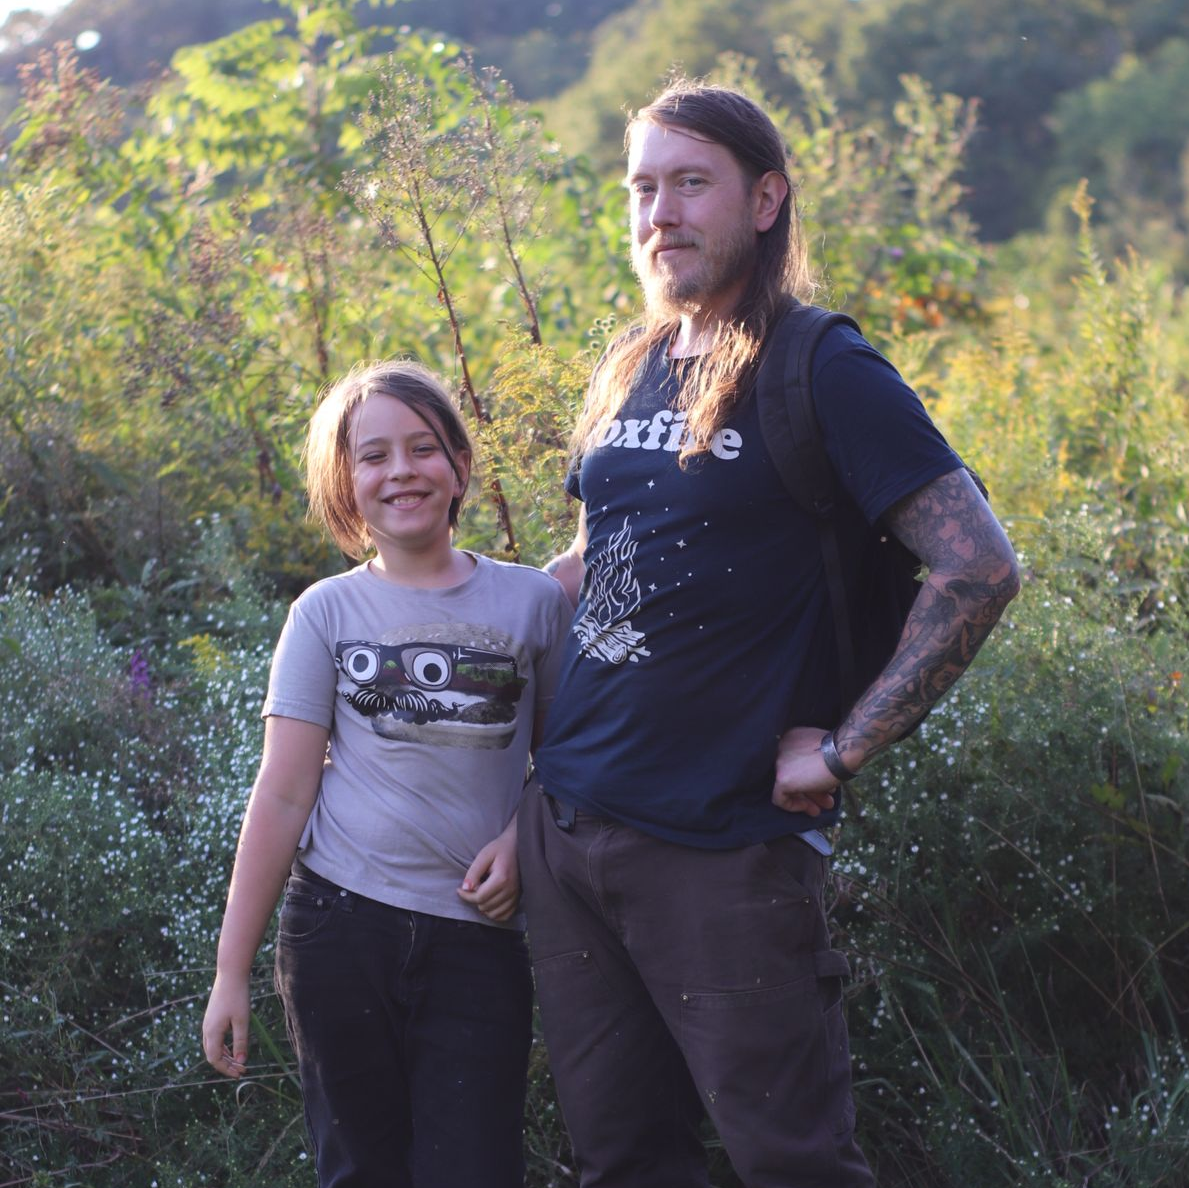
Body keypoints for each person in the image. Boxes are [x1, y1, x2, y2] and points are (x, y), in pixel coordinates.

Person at [520, 81, 1021, 1187]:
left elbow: (979, 566)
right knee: (620, 1162)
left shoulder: (820, 364)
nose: (660, 213)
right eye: (642, 188)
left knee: (790, 1162)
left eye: (690, 184)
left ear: (764, 198)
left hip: (724, 850)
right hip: (569, 831)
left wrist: (843, 749)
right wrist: (434, 601)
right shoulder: (631, 361)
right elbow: (597, 563)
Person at [201, 360, 573, 1188]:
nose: (401, 470)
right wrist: (231, 972)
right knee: (359, 1171)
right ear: (346, 484)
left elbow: (563, 763)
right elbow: (283, 794)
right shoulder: (324, 613)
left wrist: (522, 836)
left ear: (460, 468)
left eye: (423, 448)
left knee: (474, 1171)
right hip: (337, 931)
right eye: (373, 456)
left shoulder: (532, 604)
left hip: (477, 940)